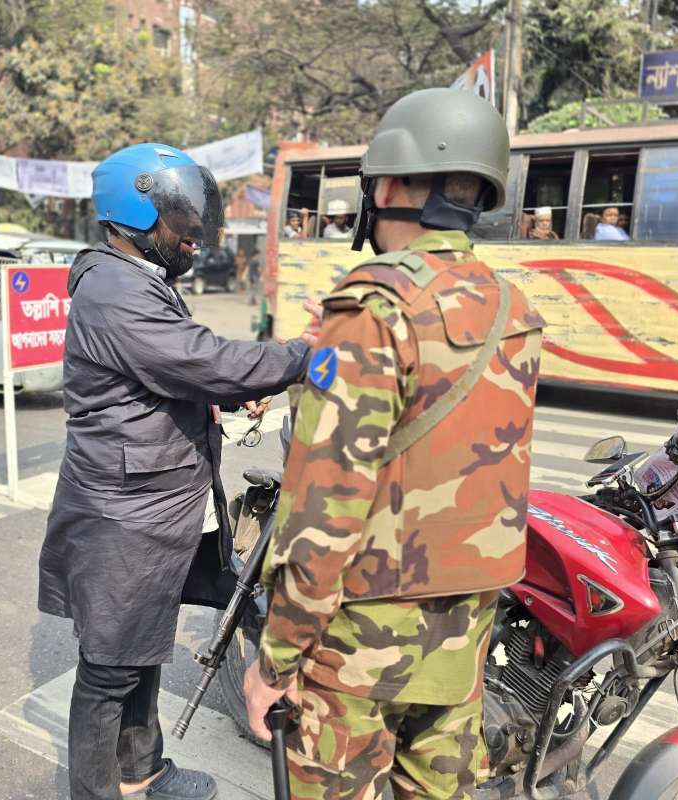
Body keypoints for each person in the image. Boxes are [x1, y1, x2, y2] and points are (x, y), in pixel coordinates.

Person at [243, 87, 545, 799]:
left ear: (394, 183)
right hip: (463, 636)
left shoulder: (373, 307)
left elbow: (324, 511)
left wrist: (275, 662)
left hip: (355, 646)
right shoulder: (512, 308)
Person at [36, 142, 315, 800]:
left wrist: (215, 394)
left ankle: (142, 770)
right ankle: (99, 792)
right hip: (124, 512)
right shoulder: (115, 289)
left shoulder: (136, 280)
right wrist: (304, 355)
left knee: (143, 645)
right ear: (135, 214)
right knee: (109, 668)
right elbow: (200, 359)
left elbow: (161, 378)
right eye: (181, 224)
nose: (193, 240)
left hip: (155, 503)